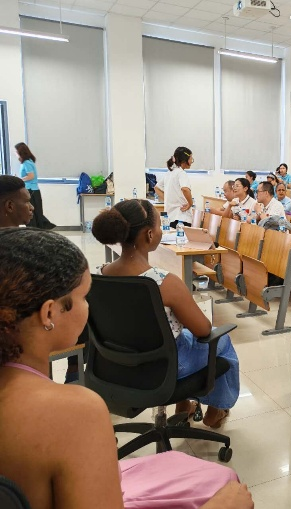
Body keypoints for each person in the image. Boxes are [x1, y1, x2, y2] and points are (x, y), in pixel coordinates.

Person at [0, 228, 253, 509]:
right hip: (163, 374)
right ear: (49, 313)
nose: (88, 307)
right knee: (227, 483)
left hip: (122, 374)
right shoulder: (73, 411)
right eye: (83, 297)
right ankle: (215, 407)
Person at [92, 199, 239, 427]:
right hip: (164, 369)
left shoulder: (97, 276)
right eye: (160, 226)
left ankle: (183, 406)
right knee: (221, 340)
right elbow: (203, 330)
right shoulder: (164, 283)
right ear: (150, 235)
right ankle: (215, 410)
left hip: (115, 365)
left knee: (183, 337)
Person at [14, 142, 55, 230]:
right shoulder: (28, 162)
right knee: (35, 213)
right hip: (32, 190)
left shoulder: (27, 163)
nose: (15, 153)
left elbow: (31, 176)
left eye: (16, 151)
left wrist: (20, 179)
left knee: (31, 213)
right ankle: (37, 229)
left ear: (20, 152)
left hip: (31, 190)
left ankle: (35, 230)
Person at [155, 147, 194, 228]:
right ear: (185, 160)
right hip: (181, 217)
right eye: (191, 158)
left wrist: (167, 198)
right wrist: (190, 203)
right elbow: (185, 189)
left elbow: (156, 188)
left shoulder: (169, 173)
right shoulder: (181, 173)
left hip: (170, 218)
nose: (192, 161)